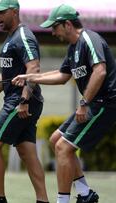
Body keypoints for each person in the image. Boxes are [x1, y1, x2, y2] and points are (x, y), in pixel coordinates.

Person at [12, 4, 116, 203]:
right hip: (94, 103)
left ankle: (63, 201)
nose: (52, 33)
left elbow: (100, 71)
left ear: (67, 24)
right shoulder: (73, 48)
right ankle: (85, 194)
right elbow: (61, 76)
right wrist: (30, 77)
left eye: (54, 27)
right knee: (55, 140)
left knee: (63, 147)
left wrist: (84, 103)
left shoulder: (89, 39)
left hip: (106, 103)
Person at [0, 0, 49, 203]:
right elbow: (6, 75)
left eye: (1, 12)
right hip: (21, 99)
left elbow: (33, 68)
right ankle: (43, 200)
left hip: (21, 100)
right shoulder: (11, 38)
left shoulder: (23, 36)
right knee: (27, 151)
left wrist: (24, 99)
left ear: (14, 12)